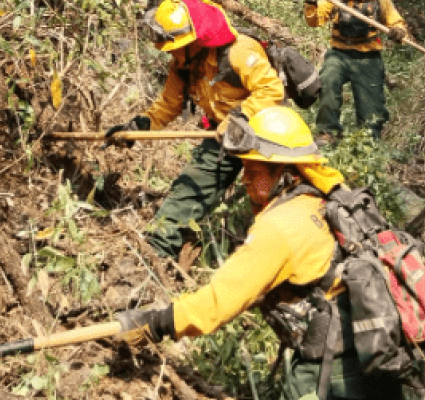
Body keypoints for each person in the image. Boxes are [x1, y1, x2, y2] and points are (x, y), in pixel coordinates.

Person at [115, 106, 405, 400]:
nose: (245, 179)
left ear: (284, 172)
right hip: (376, 350)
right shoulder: (325, 197)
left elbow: (220, 302)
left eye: (254, 171)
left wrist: (155, 323)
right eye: (245, 169)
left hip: (333, 370)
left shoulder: (281, 226)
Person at [105, 0, 285, 259]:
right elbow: (168, 105)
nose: (170, 54)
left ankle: (268, 254)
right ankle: (155, 251)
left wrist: (239, 117)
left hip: (263, 131)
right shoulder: (183, 62)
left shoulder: (239, 52)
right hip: (219, 136)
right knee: (188, 189)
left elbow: (271, 90)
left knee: (264, 195)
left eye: (175, 47)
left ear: (196, 40)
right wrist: (137, 126)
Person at [304, 0, 409, 144]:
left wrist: (399, 32)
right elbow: (315, 20)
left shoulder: (380, 1)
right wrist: (312, 4)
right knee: (328, 78)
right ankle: (328, 133)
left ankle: (368, 141)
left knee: (371, 111)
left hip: (368, 57)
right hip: (339, 53)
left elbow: (396, 21)